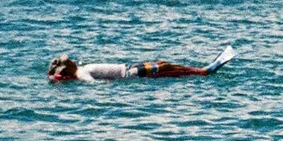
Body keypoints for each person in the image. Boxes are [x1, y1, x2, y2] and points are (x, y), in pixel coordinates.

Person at [49, 55, 219, 82]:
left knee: (162, 63)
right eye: (68, 63)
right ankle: (201, 72)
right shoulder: (81, 72)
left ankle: (199, 70)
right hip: (131, 73)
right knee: (166, 69)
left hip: (131, 67)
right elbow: (93, 83)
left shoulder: (80, 67)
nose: (71, 61)